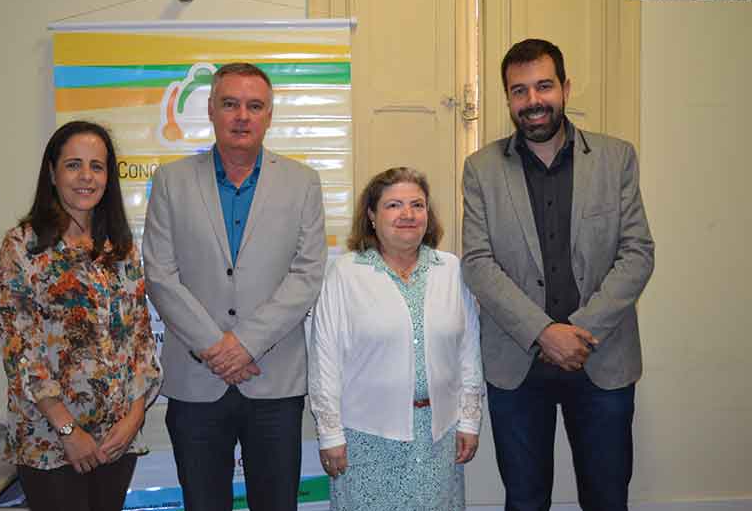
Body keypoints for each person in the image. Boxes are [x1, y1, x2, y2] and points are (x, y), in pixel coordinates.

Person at [461, 38, 655, 511]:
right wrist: (544, 333)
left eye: (544, 86)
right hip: (518, 364)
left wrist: (579, 332)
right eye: (519, 91)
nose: (533, 101)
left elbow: (637, 253)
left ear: (565, 88)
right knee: (525, 500)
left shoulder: (615, 158)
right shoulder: (481, 169)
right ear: (508, 98)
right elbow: (478, 263)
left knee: (607, 498)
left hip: (602, 357)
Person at [143, 62, 327, 511]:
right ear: (210, 110)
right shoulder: (170, 181)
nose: (242, 116)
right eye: (230, 104)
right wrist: (216, 348)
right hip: (195, 381)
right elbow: (160, 275)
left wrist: (244, 344)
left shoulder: (302, 182)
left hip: (274, 381)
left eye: (254, 106)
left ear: (269, 115)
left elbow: (307, 274)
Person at [0, 120, 162, 511]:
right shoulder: (23, 247)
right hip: (51, 443)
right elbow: (20, 351)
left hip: (116, 440)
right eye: (73, 165)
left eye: (96, 166)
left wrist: (134, 417)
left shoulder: (120, 248)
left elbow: (139, 340)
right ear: (52, 174)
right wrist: (68, 429)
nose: (86, 176)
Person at [309, 167, 482, 511]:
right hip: (366, 438)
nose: (408, 214)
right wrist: (330, 434)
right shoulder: (345, 274)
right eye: (393, 205)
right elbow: (324, 360)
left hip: (438, 437)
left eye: (417, 205)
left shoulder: (452, 270)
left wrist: (469, 419)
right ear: (371, 216)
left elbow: (468, 352)